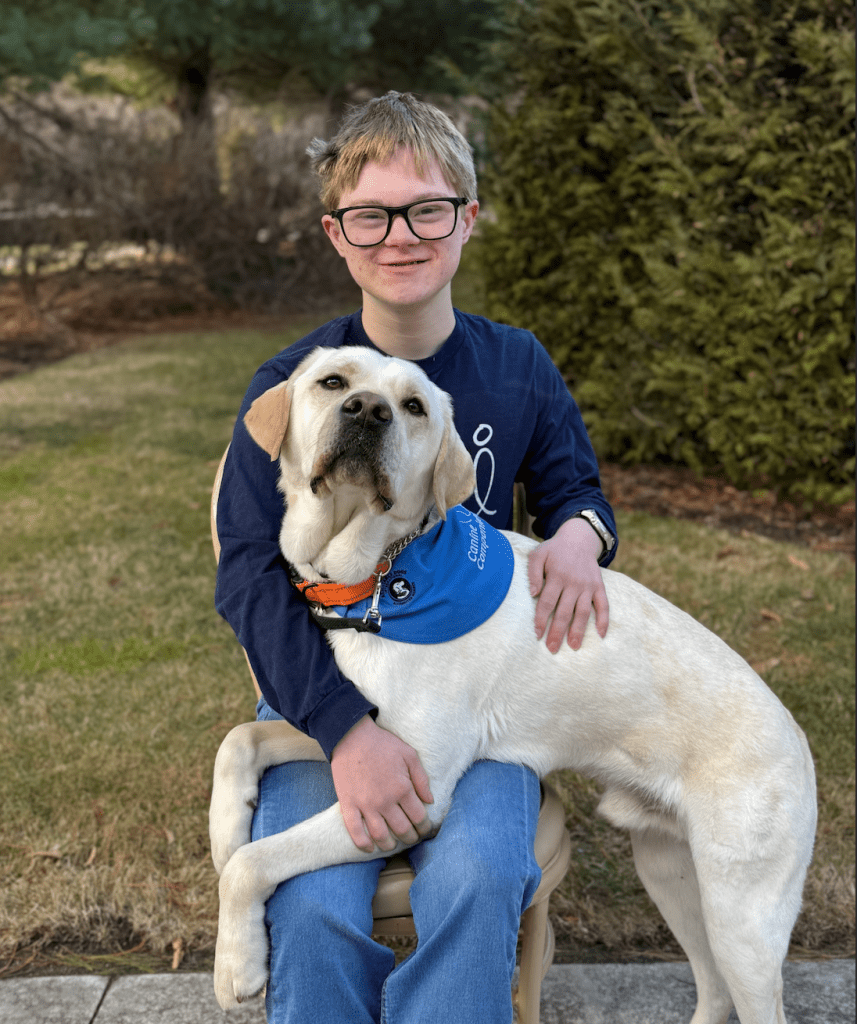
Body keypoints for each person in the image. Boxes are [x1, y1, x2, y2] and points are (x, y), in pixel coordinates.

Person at [215, 91, 618, 1024]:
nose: (400, 235)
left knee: (477, 879)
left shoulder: (516, 365)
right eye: (371, 214)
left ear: (466, 220)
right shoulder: (297, 379)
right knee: (310, 902)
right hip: (324, 677)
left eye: (426, 209)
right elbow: (245, 571)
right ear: (336, 233)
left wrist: (574, 537)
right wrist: (343, 729)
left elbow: (580, 498)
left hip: (473, 689)